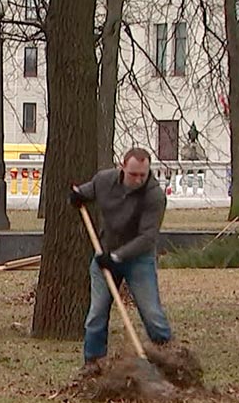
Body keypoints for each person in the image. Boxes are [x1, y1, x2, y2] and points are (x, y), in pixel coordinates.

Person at [69, 147, 173, 369]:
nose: (138, 180)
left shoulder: (154, 196)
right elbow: (88, 191)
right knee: (96, 313)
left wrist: (117, 256)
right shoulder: (105, 180)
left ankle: (169, 360)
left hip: (138, 259)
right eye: (133, 174)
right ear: (122, 167)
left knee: (152, 313)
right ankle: (93, 364)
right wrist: (78, 196)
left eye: (142, 175)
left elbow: (147, 237)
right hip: (104, 255)